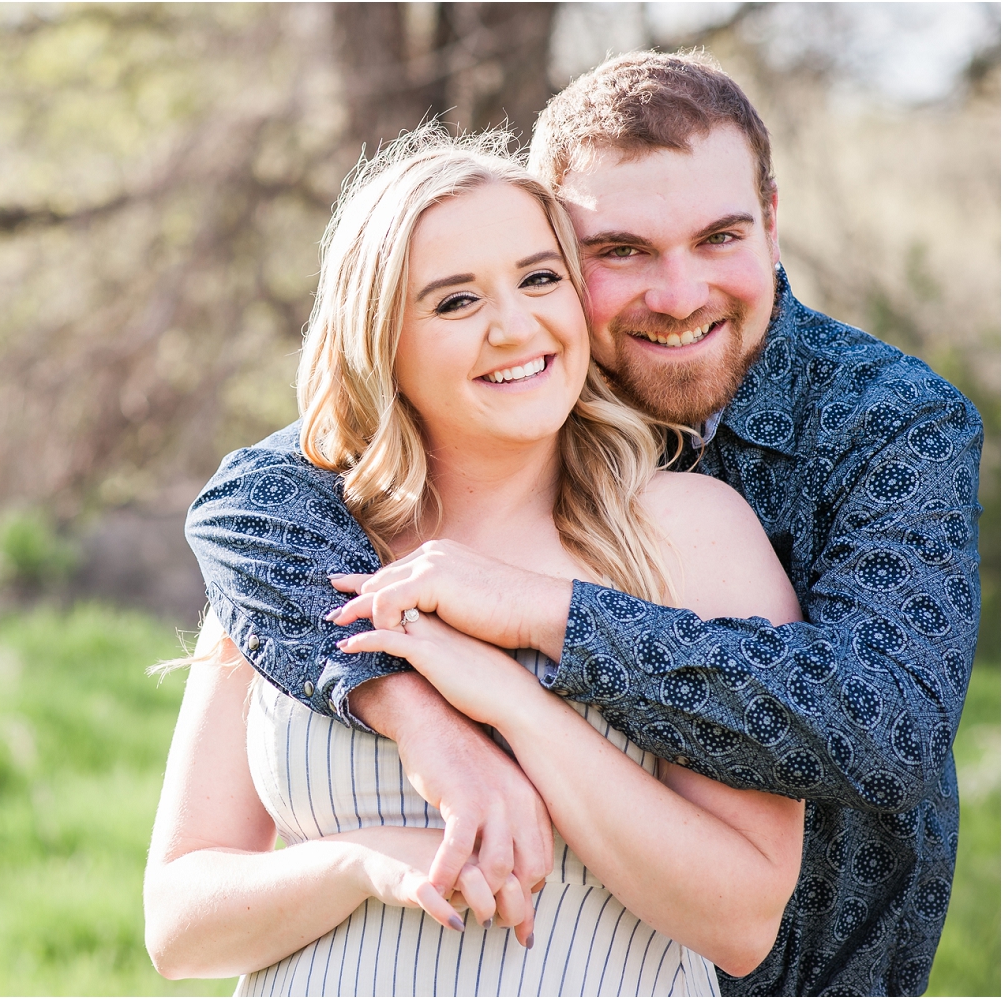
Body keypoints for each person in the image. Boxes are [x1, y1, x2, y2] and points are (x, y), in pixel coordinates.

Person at [184, 51, 983, 997]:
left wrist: (544, 620)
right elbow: (246, 500)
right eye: (622, 251)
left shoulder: (881, 421)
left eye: (720, 235)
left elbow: (886, 725)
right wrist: (420, 716)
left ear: (773, 222)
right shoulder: (471, 407)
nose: (680, 296)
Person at [146, 130, 804, 997]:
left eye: (540, 279)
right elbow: (177, 925)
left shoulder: (688, 533)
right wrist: (363, 862)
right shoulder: (296, 553)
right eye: (455, 302)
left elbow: (742, 919)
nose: (515, 326)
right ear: (380, 340)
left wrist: (511, 706)